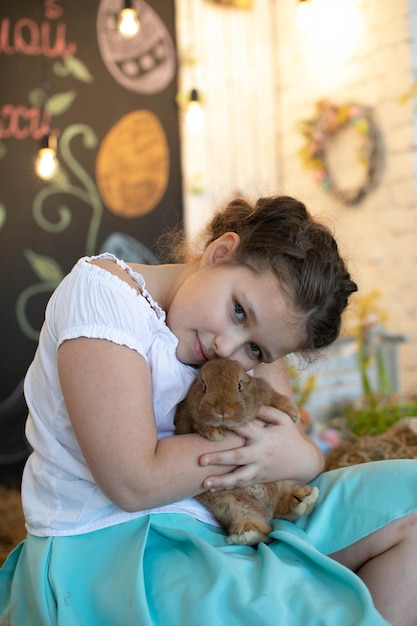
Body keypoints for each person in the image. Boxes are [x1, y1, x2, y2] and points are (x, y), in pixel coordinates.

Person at [1, 195, 416, 626]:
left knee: (411, 493)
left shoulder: (250, 330)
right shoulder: (103, 296)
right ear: (219, 253)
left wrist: (304, 456)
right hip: (121, 544)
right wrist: (274, 452)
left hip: (232, 517)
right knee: (283, 608)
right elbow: (135, 482)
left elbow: (296, 450)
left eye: (256, 349)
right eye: (238, 310)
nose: (227, 347)